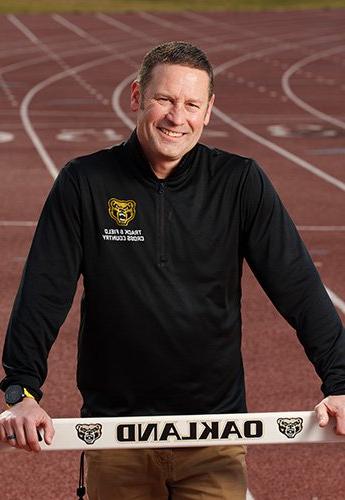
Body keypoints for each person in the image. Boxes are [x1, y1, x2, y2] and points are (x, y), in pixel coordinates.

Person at [1, 41, 345, 499]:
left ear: (209, 111)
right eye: (164, 99)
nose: (176, 117)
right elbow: (44, 291)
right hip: (116, 434)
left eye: (191, 104)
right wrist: (21, 390)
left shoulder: (240, 182)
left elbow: (297, 285)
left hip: (212, 433)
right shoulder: (84, 182)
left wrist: (341, 379)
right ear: (137, 96)